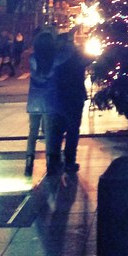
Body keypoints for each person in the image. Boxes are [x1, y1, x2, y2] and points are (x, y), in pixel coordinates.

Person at [45, 31, 88, 181]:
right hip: (74, 97)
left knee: (56, 131)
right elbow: (89, 60)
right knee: (72, 130)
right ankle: (69, 161)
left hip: (57, 98)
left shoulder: (54, 57)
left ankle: (54, 161)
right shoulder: (76, 56)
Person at [24, 28, 56, 176]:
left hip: (34, 99)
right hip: (49, 100)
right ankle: (50, 161)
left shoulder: (32, 59)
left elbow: (36, 75)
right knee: (49, 132)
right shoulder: (54, 60)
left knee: (33, 132)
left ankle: (29, 160)